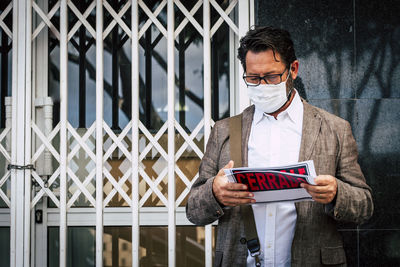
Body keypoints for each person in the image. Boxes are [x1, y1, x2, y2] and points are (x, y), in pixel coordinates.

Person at [186, 26, 373, 267]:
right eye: (253, 78)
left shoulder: (334, 129)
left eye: (272, 76)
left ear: (293, 69)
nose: (263, 85)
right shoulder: (224, 130)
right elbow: (193, 210)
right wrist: (215, 193)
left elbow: (364, 205)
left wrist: (337, 193)